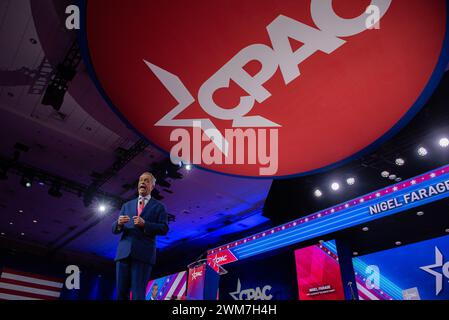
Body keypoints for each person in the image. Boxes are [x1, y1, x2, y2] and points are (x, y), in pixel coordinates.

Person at [112, 172, 169, 300]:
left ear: (152, 186)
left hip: (143, 255)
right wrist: (118, 223)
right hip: (123, 254)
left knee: (138, 294)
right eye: (141, 180)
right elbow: (114, 229)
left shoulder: (159, 207)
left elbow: (164, 228)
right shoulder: (127, 205)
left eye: (147, 181)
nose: (142, 182)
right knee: (121, 294)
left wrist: (146, 224)